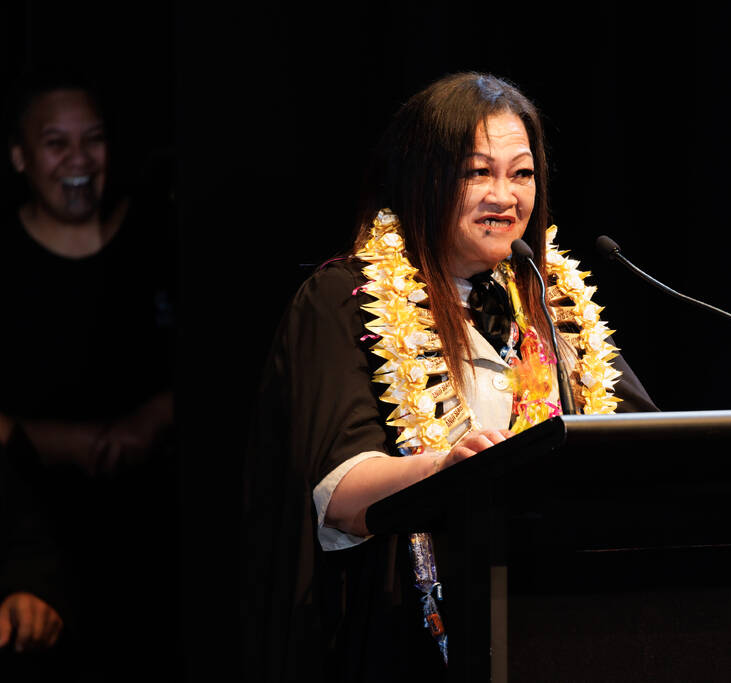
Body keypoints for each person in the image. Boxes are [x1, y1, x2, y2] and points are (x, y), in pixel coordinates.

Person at [244, 72, 656, 683]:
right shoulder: (344, 299)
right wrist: (445, 472)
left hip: (559, 626)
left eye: (522, 173)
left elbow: (634, 438)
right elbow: (339, 493)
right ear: (422, 177)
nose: (506, 196)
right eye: (477, 172)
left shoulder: (549, 297)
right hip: (404, 633)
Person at [0, 74, 178, 682]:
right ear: (20, 156)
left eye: (92, 140)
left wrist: (152, 419)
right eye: (56, 143)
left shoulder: (155, 238)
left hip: (154, 536)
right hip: (36, 539)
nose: (78, 159)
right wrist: (63, 441)